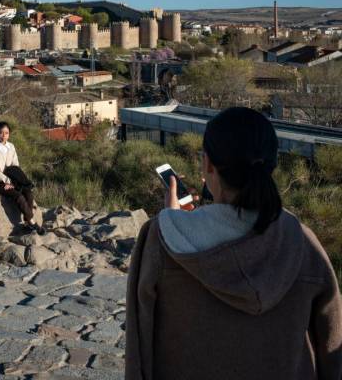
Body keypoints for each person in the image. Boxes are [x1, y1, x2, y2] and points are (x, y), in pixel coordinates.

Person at [125, 107, 342, 380]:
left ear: (208, 165)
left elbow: (138, 347)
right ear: (272, 165)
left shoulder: (162, 239)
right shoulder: (301, 242)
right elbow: (332, 346)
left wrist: (174, 220)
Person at [0, 121, 42, 234]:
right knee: (18, 196)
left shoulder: (11, 146)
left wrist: (14, 181)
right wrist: (7, 181)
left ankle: (27, 222)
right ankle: (31, 222)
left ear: (9, 134)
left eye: (6, 133)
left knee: (28, 193)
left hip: (12, 179)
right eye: (1, 133)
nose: (4, 136)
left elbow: (15, 165)